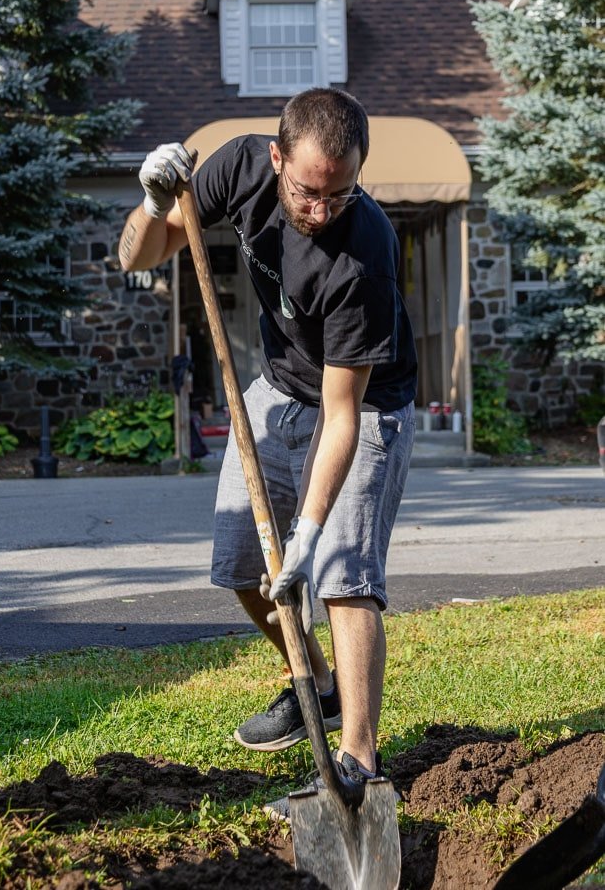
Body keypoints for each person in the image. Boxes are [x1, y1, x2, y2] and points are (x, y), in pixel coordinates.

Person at [118, 88, 417, 811]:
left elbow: (342, 416)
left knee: (344, 579)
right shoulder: (240, 167)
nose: (320, 211)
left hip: (365, 406)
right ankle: (312, 680)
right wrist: (157, 203)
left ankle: (357, 761)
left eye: (339, 194)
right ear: (276, 158)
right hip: (278, 389)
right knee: (241, 568)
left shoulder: (365, 249)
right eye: (307, 192)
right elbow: (138, 258)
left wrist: (310, 535)